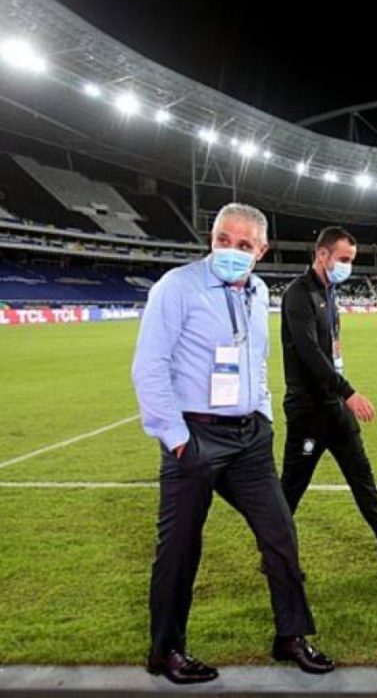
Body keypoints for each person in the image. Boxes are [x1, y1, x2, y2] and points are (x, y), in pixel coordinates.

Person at [131, 203, 333, 685]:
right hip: (194, 436)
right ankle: (166, 650)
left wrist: (262, 416)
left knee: (280, 535)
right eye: (223, 240)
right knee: (179, 549)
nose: (231, 251)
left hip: (249, 439)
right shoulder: (177, 287)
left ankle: (290, 636)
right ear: (212, 237)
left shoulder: (259, 292)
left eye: (244, 245)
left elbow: (254, 361)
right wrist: (177, 440)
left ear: (261, 251)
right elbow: (150, 366)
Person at [279, 226, 377, 570]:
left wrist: (341, 396)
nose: (348, 266)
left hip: (334, 407)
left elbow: (330, 352)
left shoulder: (330, 293)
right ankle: (275, 555)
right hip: (309, 411)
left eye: (351, 259)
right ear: (323, 255)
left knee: (361, 475)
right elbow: (308, 352)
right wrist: (348, 392)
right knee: (292, 487)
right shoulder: (299, 293)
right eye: (344, 259)